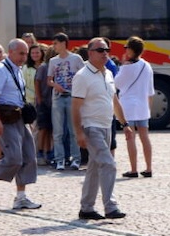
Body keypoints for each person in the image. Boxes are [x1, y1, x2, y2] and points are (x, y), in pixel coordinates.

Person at [0, 38, 41, 210]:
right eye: (21, 53)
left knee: (28, 156)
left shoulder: (18, 70)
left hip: (19, 117)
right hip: (5, 118)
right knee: (14, 158)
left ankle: (21, 197)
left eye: (25, 53)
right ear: (10, 52)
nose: (24, 57)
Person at [72, 37, 127, 220]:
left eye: (107, 50)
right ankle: (110, 207)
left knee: (95, 168)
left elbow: (114, 100)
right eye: (101, 50)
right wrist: (79, 132)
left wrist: (124, 124)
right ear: (90, 53)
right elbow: (75, 107)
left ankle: (86, 208)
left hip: (107, 126)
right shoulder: (82, 76)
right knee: (108, 164)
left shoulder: (108, 74)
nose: (105, 53)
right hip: (91, 127)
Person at [114, 36, 154, 178]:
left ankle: (133, 169)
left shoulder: (126, 68)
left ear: (130, 50)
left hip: (128, 106)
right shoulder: (147, 66)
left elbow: (116, 84)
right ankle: (149, 168)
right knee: (145, 137)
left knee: (130, 138)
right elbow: (150, 91)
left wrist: (122, 65)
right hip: (143, 106)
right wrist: (148, 108)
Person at [47, 33, 84, 170]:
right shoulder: (53, 61)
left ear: (63, 43)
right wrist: (55, 85)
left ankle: (75, 158)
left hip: (72, 97)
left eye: (56, 43)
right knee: (58, 131)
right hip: (58, 97)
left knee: (73, 129)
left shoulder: (76, 58)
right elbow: (49, 79)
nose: (54, 46)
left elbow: (83, 75)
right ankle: (60, 159)